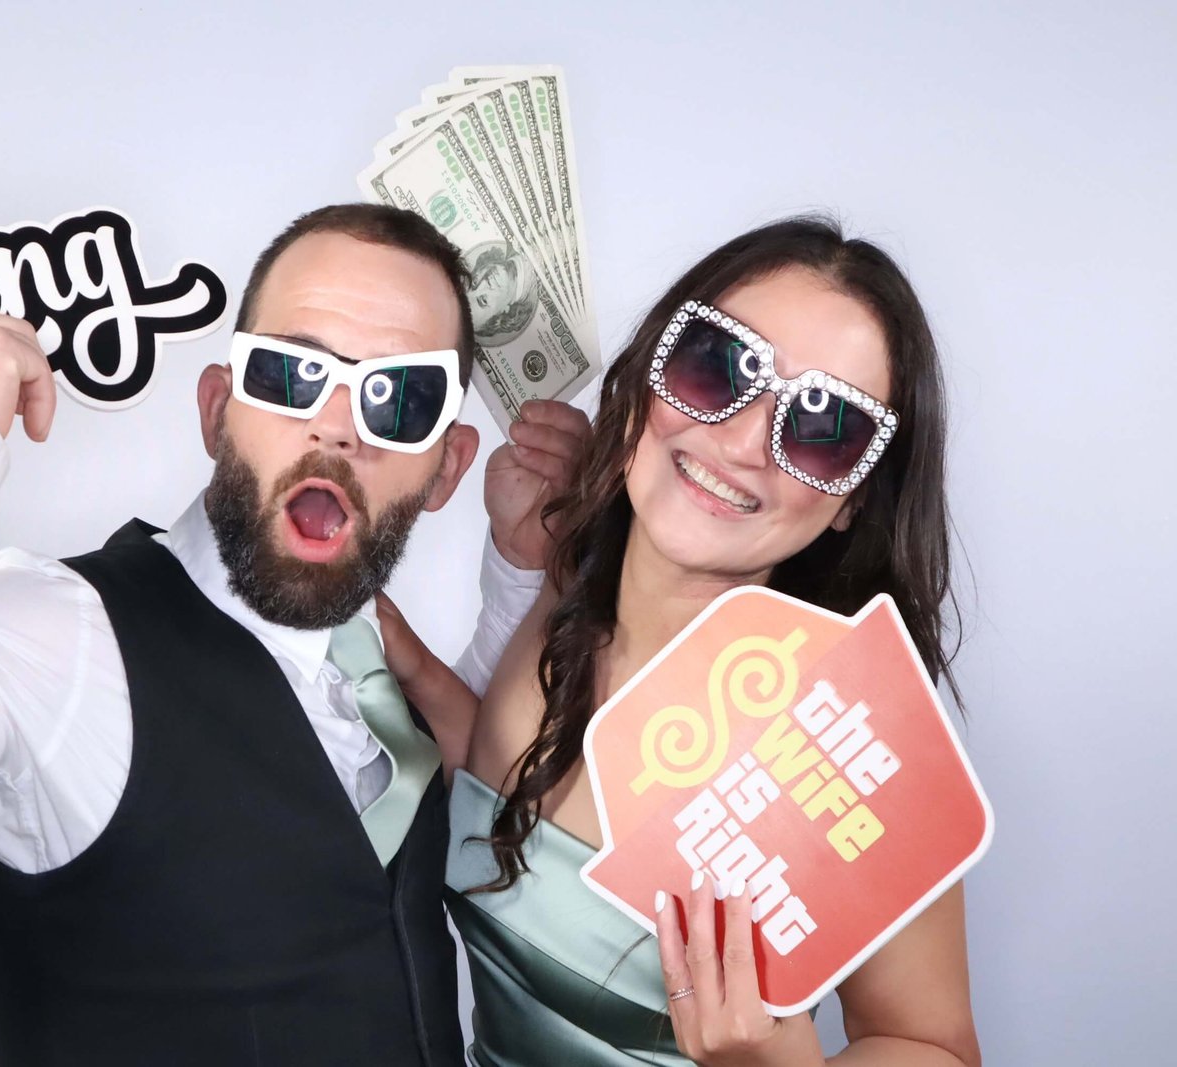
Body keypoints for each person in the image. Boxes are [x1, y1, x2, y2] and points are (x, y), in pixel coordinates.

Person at [0, 202, 591, 1066]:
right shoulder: (54, 639)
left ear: (446, 467)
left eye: (398, 398)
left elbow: (460, 791)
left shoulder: (378, 657)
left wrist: (517, 572)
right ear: (218, 407)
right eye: (293, 373)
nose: (336, 427)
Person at [382, 217, 982, 1066]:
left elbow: (936, 1047)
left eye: (824, 425)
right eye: (719, 365)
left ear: (852, 496)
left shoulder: (852, 742)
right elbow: (503, 817)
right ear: (647, 375)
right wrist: (424, 656)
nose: (742, 443)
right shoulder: (562, 590)